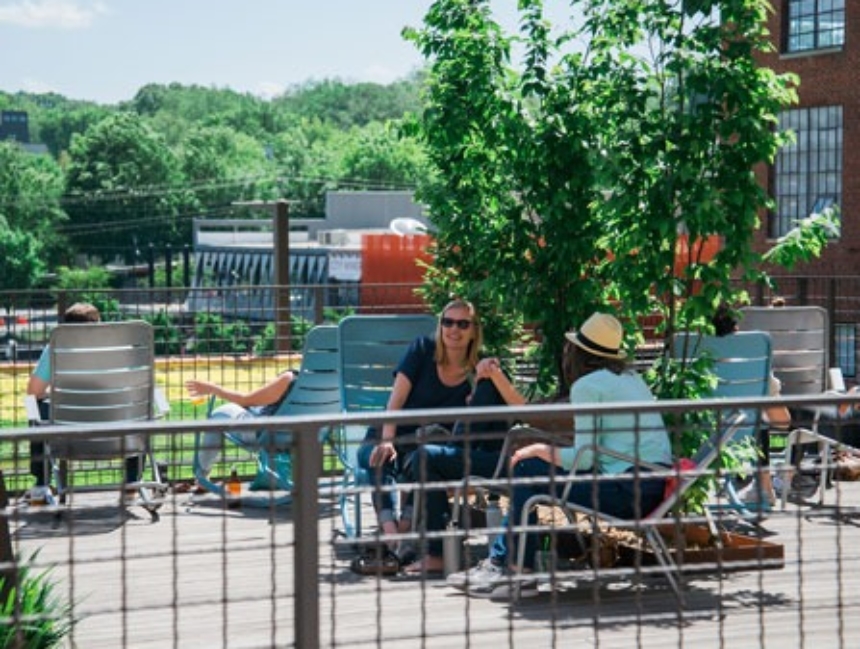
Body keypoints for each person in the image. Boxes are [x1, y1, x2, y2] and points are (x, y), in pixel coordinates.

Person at [447, 312, 673, 599]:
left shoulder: (587, 386)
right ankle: (505, 565)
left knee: (528, 469)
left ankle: (514, 571)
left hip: (626, 492)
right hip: (648, 486)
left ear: (578, 352)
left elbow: (585, 458)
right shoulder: (630, 378)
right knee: (529, 472)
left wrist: (540, 449)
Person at [358, 299, 507, 554]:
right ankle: (392, 532)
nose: (454, 330)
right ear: (440, 326)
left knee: (425, 462)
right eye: (448, 322)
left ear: (474, 331)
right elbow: (397, 398)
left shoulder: (478, 372)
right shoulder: (422, 349)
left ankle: (402, 530)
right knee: (376, 456)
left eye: (463, 324)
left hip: (429, 445)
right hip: (392, 431)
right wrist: (387, 439)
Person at [399, 354, 527, 574]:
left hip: (517, 462)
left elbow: (527, 413)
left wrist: (492, 375)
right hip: (498, 453)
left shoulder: (581, 390)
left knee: (425, 458)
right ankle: (435, 550)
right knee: (427, 458)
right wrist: (484, 382)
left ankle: (436, 552)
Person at [25, 302, 143, 504]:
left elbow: (33, 392)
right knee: (137, 409)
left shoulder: (56, 348)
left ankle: (41, 484)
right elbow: (139, 387)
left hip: (69, 437)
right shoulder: (122, 346)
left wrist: (55, 396)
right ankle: (132, 483)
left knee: (35, 409)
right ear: (99, 324)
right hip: (116, 435)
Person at [712, 303, 791, 508]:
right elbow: (782, 421)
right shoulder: (753, 358)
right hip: (744, 434)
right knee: (757, 422)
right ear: (736, 329)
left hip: (698, 435)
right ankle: (764, 487)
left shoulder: (688, 355)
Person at [183, 370, 295, 493]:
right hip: (305, 436)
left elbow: (244, 400)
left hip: (265, 435)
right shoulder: (317, 382)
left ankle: (202, 477)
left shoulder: (289, 378)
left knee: (217, 415)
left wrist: (213, 388)